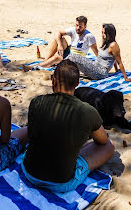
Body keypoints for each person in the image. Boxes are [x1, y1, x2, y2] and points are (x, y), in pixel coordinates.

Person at [22, 60, 115, 192]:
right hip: (61, 182)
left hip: (29, 172)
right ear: (77, 83)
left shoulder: (36, 102)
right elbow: (102, 140)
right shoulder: (87, 111)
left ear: (52, 79)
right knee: (108, 145)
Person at [23, 16, 98, 71]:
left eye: (80, 26)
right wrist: (59, 45)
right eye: (77, 25)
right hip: (69, 52)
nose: (78, 28)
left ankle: (32, 67)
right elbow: (58, 33)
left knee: (57, 57)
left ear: (85, 26)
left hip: (76, 59)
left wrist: (102, 66)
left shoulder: (89, 36)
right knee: (59, 39)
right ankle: (46, 61)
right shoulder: (73, 30)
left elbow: (96, 52)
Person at [66, 24, 131, 81]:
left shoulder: (113, 45)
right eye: (102, 32)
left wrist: (126, 78)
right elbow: (113, 58)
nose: (102, 35)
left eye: (105, 33)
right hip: (95, 66)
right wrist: (116, 70)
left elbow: (119, 61)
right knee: (73, 56)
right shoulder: (106, 42)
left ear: (110, 33)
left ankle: (62, 73)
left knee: (73, 58)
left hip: (101, 72)